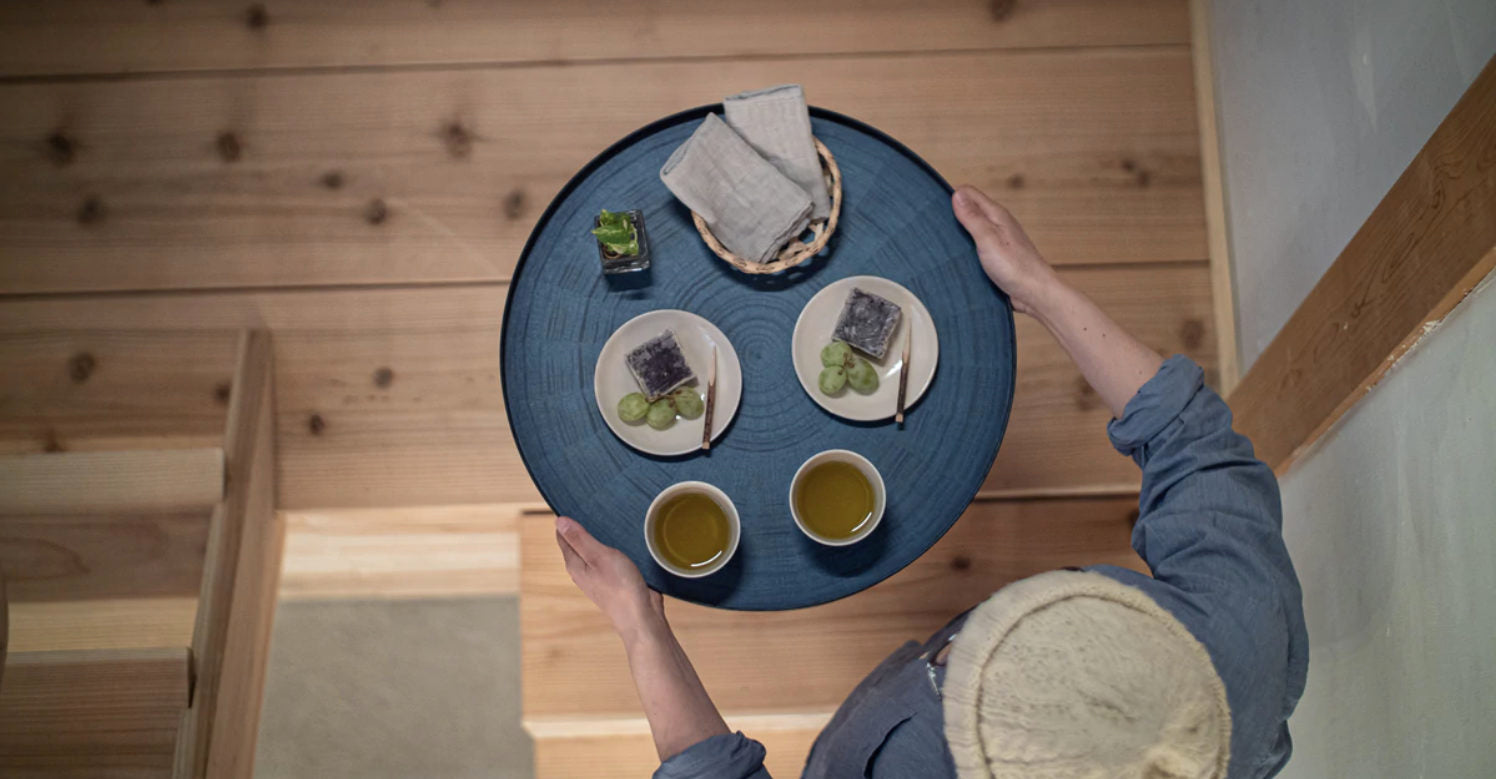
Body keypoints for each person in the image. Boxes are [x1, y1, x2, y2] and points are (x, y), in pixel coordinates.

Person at [553, 186, 1308, 779]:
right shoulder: (1238, 643)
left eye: (967, 680)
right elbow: (1189, 434)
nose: (961, 645)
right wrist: (1040, 289)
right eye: (1049, 612)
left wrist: (639, 626)